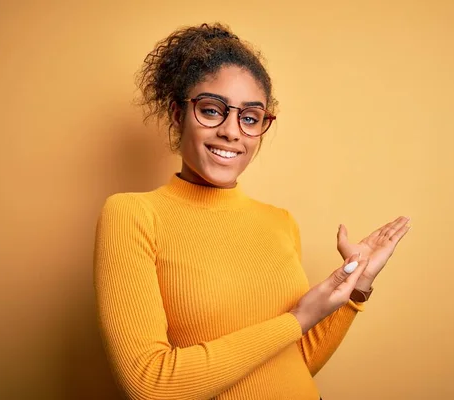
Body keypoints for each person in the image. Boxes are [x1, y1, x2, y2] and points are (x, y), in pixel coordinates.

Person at [93, 22, 410, 400]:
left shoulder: (281, 222)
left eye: (249, 117)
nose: (232, 131)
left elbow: (293, 362)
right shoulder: (133, 215)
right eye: (212, 110)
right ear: (178, 115)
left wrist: (357, 288)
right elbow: (150, 384)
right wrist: (298, 319)